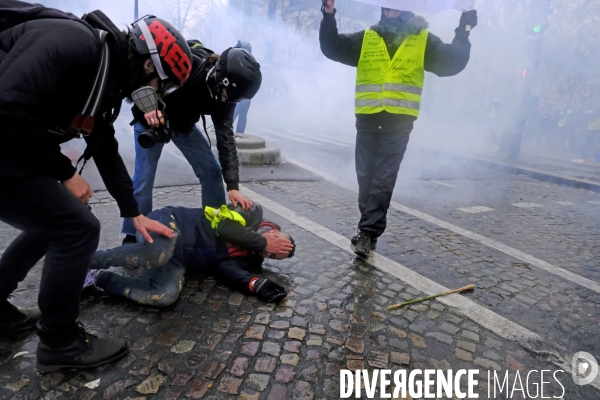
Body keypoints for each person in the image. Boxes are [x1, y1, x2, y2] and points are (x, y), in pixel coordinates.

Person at [0, 1, 187, 371]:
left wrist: (133, 212)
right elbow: (6, 105)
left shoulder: (105, 76)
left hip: (9, 146)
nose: (151, 97)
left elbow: (103, 146)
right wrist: (63, 171)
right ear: (147, 64)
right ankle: (60, 343)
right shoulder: (74, 43)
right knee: (78, 229)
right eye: (155, 86)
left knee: (61, 221)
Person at [319, 0, 476, 257]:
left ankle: (367, 233)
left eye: (393, 8)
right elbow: (332, 47)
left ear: (406, 9)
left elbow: (453, 62)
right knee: (366, 179)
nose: (389, 11)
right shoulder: (368, 37)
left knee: (382, 179)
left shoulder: (422, 39)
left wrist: (465, 25)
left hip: (398, 123)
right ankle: (366, 229)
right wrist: (328, 13)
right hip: (368, 119)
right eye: (386, 7)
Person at [121, 40, 263, 244]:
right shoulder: (187, 64)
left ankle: (214, 228)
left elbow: (226, 140)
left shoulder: (227, 98)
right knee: (144, 177)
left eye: (235, 99)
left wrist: (232, 186)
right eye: (229, 96)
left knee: (212, 172)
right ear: (221, 79)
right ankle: (132, 234)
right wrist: (148, 108)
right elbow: (140, 79)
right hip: (151, 120)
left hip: (183, 124)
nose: (230, 101)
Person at [84, 202, 295, 306]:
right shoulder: (251, 213)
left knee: (165, 296)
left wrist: (257, 284)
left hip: (176, 259)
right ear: (274, 232)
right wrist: (262, 240)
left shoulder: (249, 258)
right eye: (279, 248)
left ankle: (98, 277)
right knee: (159, 252)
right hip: (169, 222)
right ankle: (84, 261)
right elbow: (224, 228)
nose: (271, 254)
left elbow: (224, 270)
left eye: (275, 257)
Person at [232, 41, 254, 134]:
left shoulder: (238, 61)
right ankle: (239, 135)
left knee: (232, 114)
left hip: (238, 94)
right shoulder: (252, 63)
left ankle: (225, 134)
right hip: (246, 95)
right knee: (242, 115)